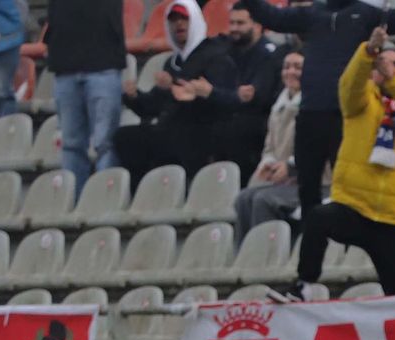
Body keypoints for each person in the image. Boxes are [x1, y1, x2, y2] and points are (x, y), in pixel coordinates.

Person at [238, 0, 395, 222]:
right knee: (308, 194)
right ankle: (311, 249)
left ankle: (344, 249)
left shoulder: (366, 13)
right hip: (310, 114)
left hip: (346, 116)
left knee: (345, 192)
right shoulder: (311, 13)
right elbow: (272, 17)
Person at [286, 27, 395, 298]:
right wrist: (367, 53)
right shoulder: (362, 103)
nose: (389, 69)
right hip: (356, 208)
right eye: (383, 64)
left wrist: (393, 77)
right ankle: (304, 283)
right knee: (319, 218)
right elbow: (349, 85)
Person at [117, 0, 239, 180]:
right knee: (125, 137)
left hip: (200, 130)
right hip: (171, 128)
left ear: (195, 21)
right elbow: (154, 105)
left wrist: (181, 87)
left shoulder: (216, 56)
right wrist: (134, 96)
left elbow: (224, 103)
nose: (179, 24)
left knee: (175, 139)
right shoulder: (173, 62)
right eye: (173, 20)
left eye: (184, 19)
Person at [46, 0, 126, 195]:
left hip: (103, 63)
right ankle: (74, 202)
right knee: (71, 144)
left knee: (105, 142)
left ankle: (106, 199)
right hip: (65, 66)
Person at [234, 50, 305, 239]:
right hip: (283, 182)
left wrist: (291, 166)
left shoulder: (317, 106)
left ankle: (267, 256)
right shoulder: (278, 107)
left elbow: (318, 147)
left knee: (262, 200)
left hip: (313, 181)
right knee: (243, 198)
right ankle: (245, 256)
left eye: (298, 67)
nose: (291, 72)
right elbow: (270, 148)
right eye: (287, 67)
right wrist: (269, 164)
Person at [221, 1, 288, 177]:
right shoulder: (228, 51)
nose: (234, 28)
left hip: (258, 124)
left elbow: (254, 98)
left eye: (240, 23)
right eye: (232, 23)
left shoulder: (269, 54)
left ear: (257, 25)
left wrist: (214, 93)